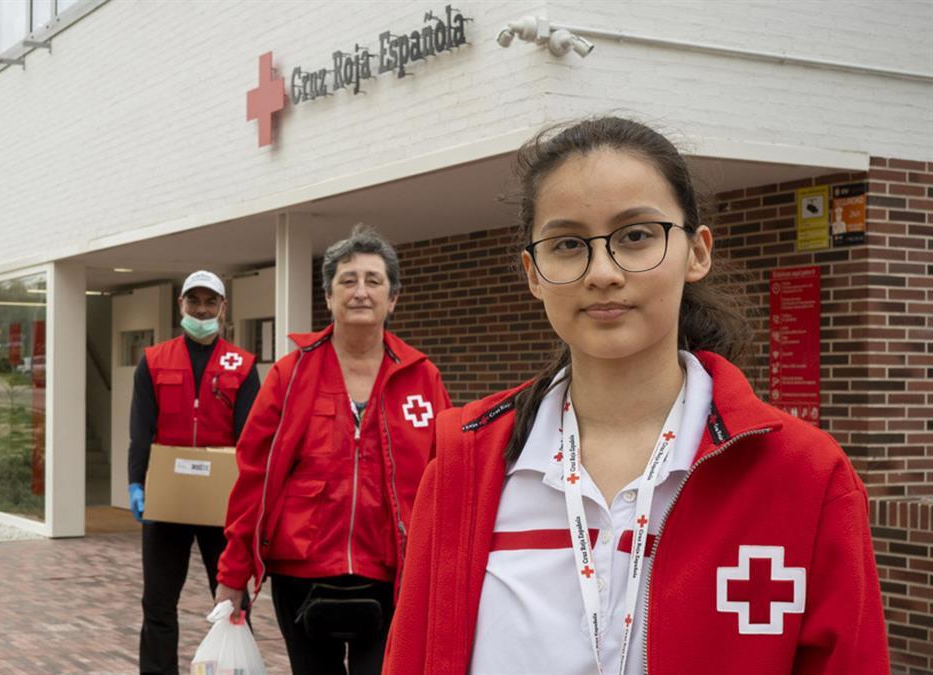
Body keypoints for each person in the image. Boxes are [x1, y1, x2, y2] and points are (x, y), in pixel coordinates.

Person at [383, 117, 890, 674]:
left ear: (697, 253)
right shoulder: (466, 465)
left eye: (636, 236)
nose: (602, 272)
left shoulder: (804, 475)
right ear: (533, 272)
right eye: (569, 244)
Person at [216, 224, 452, 675]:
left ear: (393, 297)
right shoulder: (290, 376)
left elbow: (444, 479)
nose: (360, 291)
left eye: (373, 281)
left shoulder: (423, 378)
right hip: (301, 571)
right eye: (348, 280)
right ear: (328, 296)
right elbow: (254, 479)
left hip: (391, 570)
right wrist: (232, 575)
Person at [127, 270, 260, 675]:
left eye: (209, 302)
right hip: (168, 500)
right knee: (158, 603)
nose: (200, 309)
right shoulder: (153, 361)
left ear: (223, 308)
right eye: (193, 301)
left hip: (223, 505)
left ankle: (232, 668)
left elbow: (251, 440)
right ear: (180, 305)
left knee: (231, 601)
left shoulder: (242, 365)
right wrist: (136, 481)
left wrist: (250, 503)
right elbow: (140, 428)